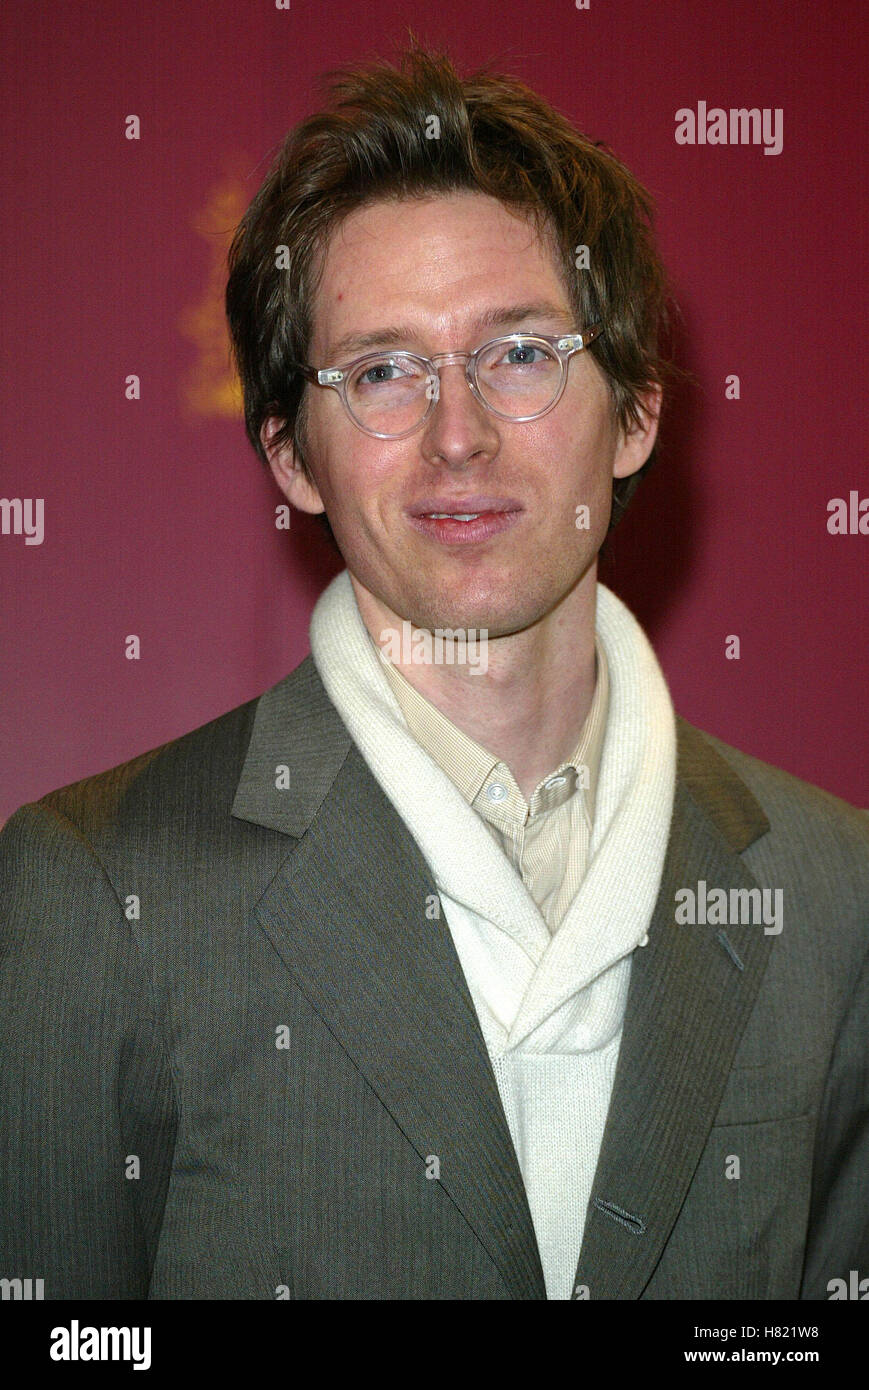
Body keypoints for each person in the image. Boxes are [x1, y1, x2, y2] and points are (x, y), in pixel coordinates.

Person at [1, 44, 866, 1302]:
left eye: (519, 354)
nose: (457, 436)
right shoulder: (94, 894)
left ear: (633, 412)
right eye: (382, 372)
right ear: (293, 459)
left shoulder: (830, 894)